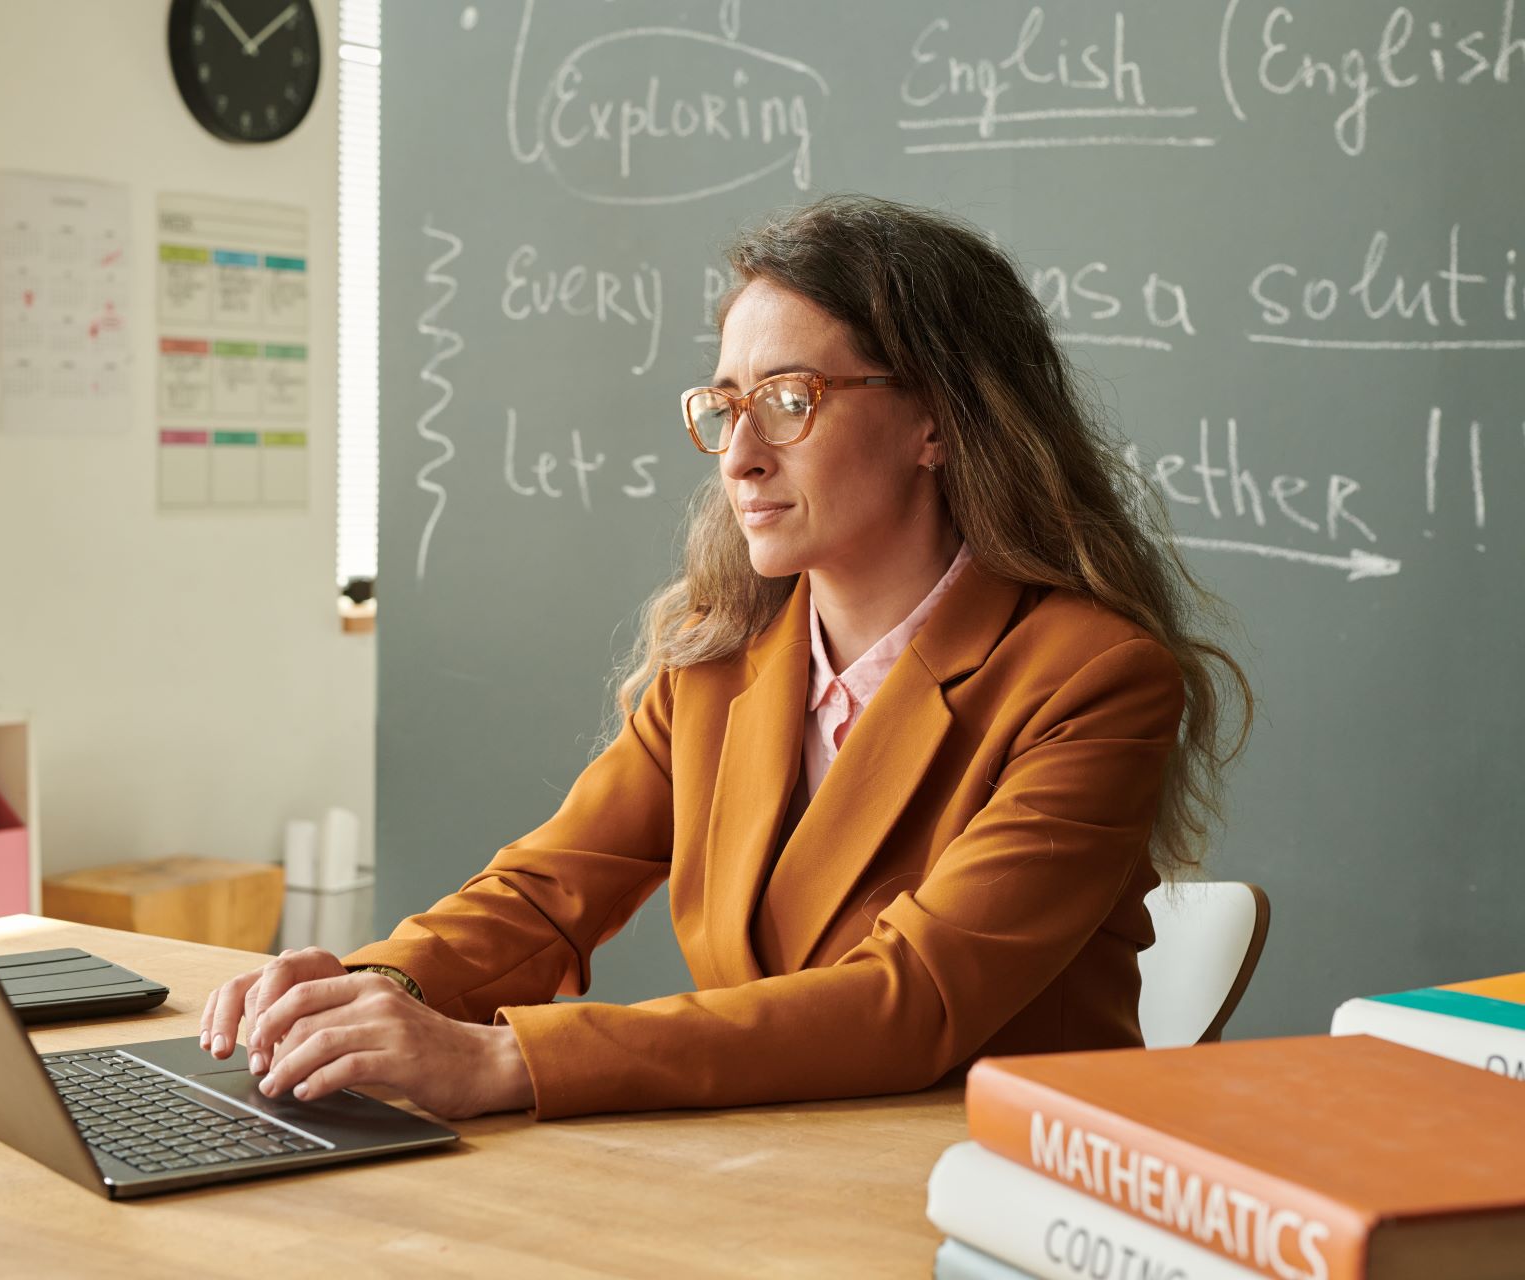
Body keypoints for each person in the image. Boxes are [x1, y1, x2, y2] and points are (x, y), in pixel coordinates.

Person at [199, 195, 1252, 1121]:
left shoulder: (1092, 676)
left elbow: (912, 1000)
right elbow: (543, 894)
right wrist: (364, 988)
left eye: (791, 399)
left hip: (995, 1194)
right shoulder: (720, 661)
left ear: (935, 420)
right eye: (724, 406)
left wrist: (508, 1059)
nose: (741, 454)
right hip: (761, 1163)